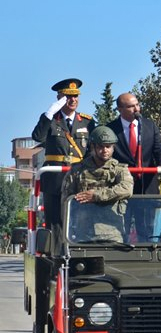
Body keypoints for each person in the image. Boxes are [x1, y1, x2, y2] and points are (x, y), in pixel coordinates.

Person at [33, 78, 93, 234]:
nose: (72, 100)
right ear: (59, 98)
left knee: (79, 219)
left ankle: (76, 255)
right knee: (54, 221)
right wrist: (49, 113)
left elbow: (93, 149)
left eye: (75, 96)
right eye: (68, 96)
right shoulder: (50, 119)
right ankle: (56, 255)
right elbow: (38, 137)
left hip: (78, 177)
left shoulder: (87, 122)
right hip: (55, 178)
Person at [105, 93, 161, 241]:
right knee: (122, 230)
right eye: (131, 106)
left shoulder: (149, 125)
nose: (136, 109)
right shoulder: (111, 129)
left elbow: (159, 150)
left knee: (146, 231)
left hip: (146, 187)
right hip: (121, 187)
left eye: (137, 104)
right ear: (120, 109)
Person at [60, 125, 133, 243]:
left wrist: (96, 196)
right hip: (83, 233)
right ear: (93, 147)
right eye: (100, 146)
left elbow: (126, 189)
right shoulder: (77, 170)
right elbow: (65, 202)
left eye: (108, 146)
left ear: (113, 148)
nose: (105, 150)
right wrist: (68, 231)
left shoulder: (120, 170)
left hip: (112, 232)